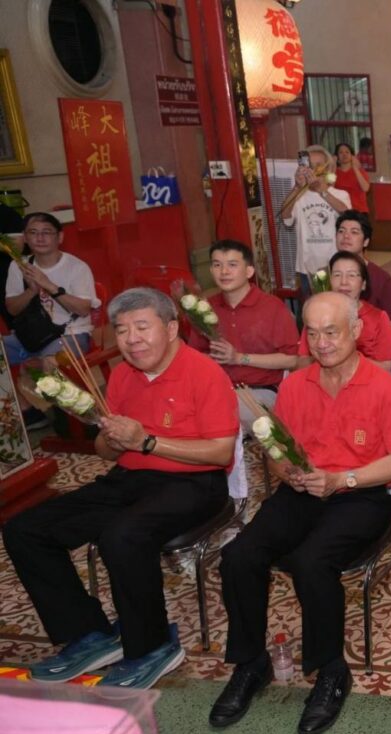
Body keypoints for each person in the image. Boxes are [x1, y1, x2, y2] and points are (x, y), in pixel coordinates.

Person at [3, 288, 236, 688]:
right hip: (130, 478)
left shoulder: (205, 373)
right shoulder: (124, 375)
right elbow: (105, 451)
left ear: (171, 329)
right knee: (25, 529)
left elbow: (220, 452)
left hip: (195, 482)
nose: (132, 339)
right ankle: (90, 633)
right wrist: (112, 438)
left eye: (142, 327)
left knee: (122, 535)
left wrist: (147, 441)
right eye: (123, 330)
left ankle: (153, 645)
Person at [211, 293, 391, 734]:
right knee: (239, 555)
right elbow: (276, 454)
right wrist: (290, 472)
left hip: (360, 495)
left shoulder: (385, 388)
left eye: (332, 332)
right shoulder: (294, 386)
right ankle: (251, 663)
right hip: (302, 491)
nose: (322, 343)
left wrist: (342, 479)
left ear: (355, 331)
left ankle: (331, 671)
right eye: (314, 333)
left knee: (311, 562)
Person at [185, 240, 299, 431]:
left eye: (232, 265)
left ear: (249, 271)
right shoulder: (205, 308)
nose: (224, 271)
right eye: (217, 265)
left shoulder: (272, 307)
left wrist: (239, 358)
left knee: (218, 415)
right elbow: (194, 356)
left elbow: (291, 359)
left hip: (260, 391)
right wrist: (210, 359)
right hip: (215, 388)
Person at [3, 211, 99, 430]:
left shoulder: (77, 267)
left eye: (47, 232)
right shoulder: (19, 266)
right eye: (33, 232)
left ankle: (87, 421)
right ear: (25, 238)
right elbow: (12, 309)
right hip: (32, 335)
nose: (40, 238)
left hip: (72, 333)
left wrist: (48, 285)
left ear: (60, 237)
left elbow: (83, 309)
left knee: (48, 362)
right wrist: (31, 291)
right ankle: (27, 412)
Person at [297, 253, 391, 371]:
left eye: (351, 275)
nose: (344, 282)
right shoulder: (317, 315)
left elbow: (386, 368)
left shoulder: (378, 317)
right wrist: (325, 356)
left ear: (363, 284)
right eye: (337, 275)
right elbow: (301, 363)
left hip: (366, 380)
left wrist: (344, 358)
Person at [281, 145, 351, 296]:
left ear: (327, 167)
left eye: (318, 165)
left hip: (334, 265)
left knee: (335, 305)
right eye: (310, 166)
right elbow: (285, 217)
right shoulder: (299, 197)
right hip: (307, 267)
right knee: (312, 306)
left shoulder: (340, 194)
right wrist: (297, 187)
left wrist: (322, 191)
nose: (313, 170)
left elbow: (347, 215)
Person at [335, 211, 391, 334]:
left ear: (366, 241)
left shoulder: (381, 278)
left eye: (354, 232)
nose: (346, 236)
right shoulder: (324, 274)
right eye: (341, 231)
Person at [332, 142, 370, 213]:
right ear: (337, 156)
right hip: (340, 210)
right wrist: (333, 167)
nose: (344, 154)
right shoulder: (333, 173)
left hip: (359, 210)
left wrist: (355, 168)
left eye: (347, 152)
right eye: (341, 152)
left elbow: (366, 188)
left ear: (352, 156)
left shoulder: (360, 171)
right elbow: (330, 189)